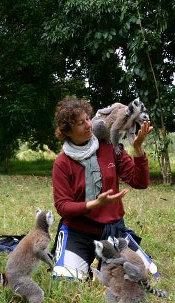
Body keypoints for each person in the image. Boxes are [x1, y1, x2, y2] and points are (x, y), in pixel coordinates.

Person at [52, 96, 153, 280]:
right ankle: (82, 259)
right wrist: (94, 204)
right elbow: (62, 206)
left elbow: (140, 182)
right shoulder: (62, 162)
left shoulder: (109, 147)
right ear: (68, 131)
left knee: (144, 276)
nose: (89, 125)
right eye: (81, 123)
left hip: (112, 232)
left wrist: (137, 148)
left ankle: (105, 260)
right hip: (78, 232)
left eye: (88, 119)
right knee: (67, 280)